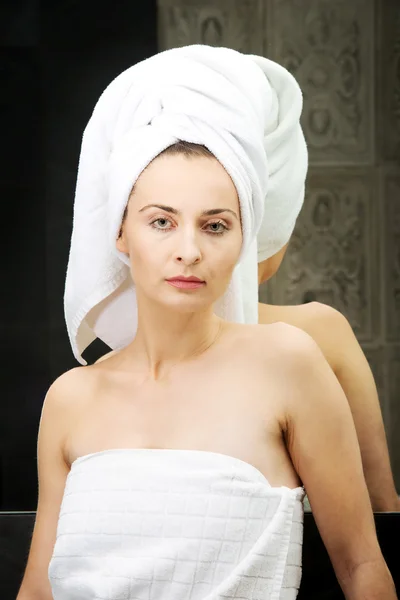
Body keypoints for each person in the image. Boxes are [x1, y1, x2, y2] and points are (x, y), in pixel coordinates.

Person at [17, 46, 397, 600]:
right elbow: (38, 587)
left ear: (244, 239)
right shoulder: (70, 398)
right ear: (121, 235)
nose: (188, 251)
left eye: (216, 225)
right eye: (161, 222)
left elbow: (365, 563)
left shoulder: (291, 363)